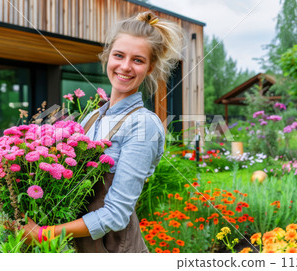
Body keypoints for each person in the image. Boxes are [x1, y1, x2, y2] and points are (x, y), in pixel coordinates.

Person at [22, 11, 184, 253]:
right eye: (119, 55)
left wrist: (46, 234)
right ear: (108, 56)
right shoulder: (91, 117)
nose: (125, 66)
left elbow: (116, 215)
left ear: (150, 68)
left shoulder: (143, 125)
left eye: (138, 60)